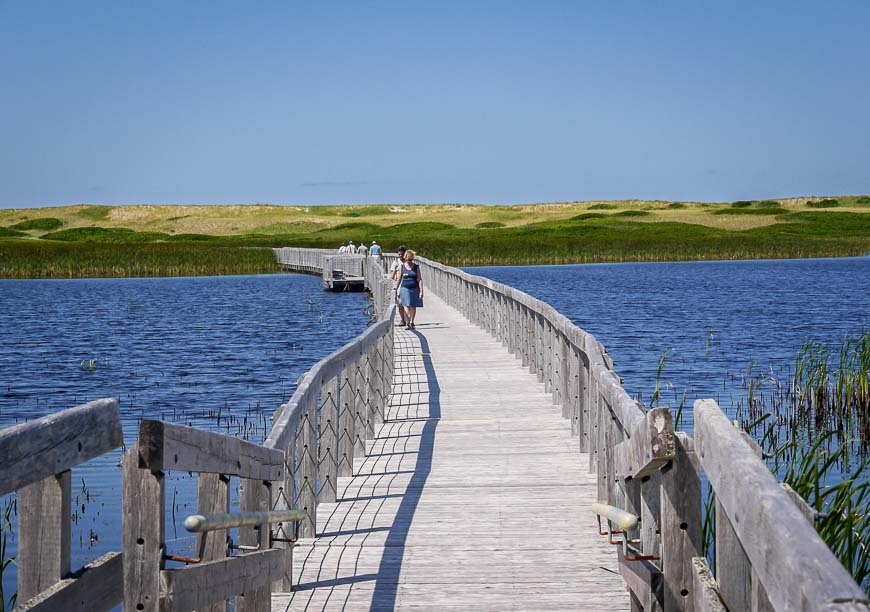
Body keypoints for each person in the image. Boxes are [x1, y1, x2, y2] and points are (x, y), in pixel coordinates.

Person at [395, 249, 423, 329]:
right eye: (408, 259)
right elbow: (399, 279)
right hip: (405, 288)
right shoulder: (402, 267)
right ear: (405, 258)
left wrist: (421, 291)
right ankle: (407, 322)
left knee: (413, 306)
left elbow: (420, 279)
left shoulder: (416, 267)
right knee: (406, 305)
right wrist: (396, 289)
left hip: (415, 288)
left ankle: (412, 321)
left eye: (411, 259)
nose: (409, 261)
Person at [389, 246, 408, 326]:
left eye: (402, 254)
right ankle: (403, 320)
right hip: (399, 285)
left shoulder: (408, 261)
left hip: (407, 284)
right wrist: (392, 285)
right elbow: (392, 275)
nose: (401, 255)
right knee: (400, 304)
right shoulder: (395, 263)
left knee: (407, 303)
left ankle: (408, 320)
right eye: (399, 254)